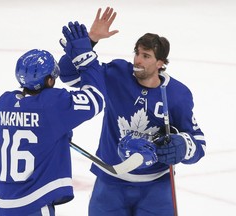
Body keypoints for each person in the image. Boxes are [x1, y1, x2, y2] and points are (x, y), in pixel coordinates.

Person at [58, 7, 206, 216]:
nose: (138, 60)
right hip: (110, 182)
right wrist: (90, 40)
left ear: (161, 63)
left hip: (156, 187)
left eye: (146, 56)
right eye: (137, 53)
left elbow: (199, 142)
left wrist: (183, 145)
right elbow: (68, 75)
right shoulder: (116, 74)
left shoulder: (177, 94)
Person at [0, 22, 106, 216]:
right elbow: (95, 99)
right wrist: (86, 56)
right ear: (49, 80)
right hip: (34, 204)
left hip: (4, 205)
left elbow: (0, 117)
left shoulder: (3, 104)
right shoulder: (52, 104)